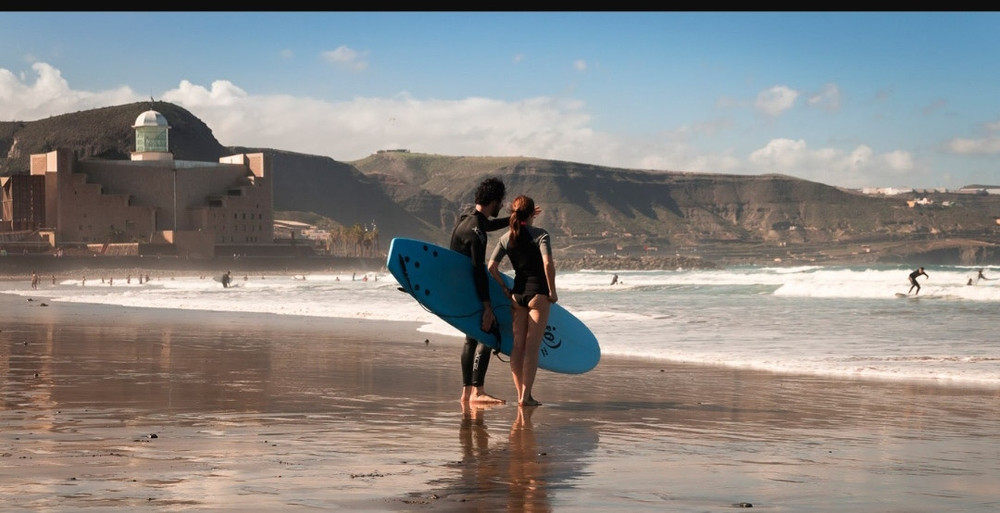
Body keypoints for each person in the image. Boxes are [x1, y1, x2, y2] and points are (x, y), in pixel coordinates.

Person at [488, 195, 557, 407]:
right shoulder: (541, 235)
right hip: (538, 295)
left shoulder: (506, 238)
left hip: (517, 296)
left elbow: (491, 266)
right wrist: (552, 292)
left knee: (518, 347)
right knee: (532, 347)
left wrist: (504, 288)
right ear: (531, 214)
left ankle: (520, 394)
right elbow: (547, 265)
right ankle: (526, 396)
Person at [450, 176, 509, 404]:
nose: (502, 206)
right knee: (488, 333)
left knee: (471, 339)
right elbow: (477, 268)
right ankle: (478, 391)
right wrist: (487, 307)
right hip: (473, 291)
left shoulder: (466, 220)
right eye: (501, 202)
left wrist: (512, 219)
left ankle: (466, 393)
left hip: (460, 291)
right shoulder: (478, 232)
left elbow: (489, 224)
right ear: (493, 201)